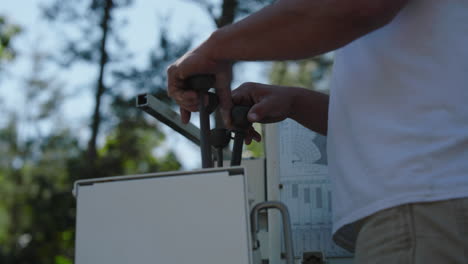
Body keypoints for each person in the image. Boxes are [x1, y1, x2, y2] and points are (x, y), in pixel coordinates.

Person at [167, 0, 468, 263]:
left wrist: (215, 48)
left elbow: (355, 5)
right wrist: (296, 102)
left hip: (428, 206)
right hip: (434, 205)